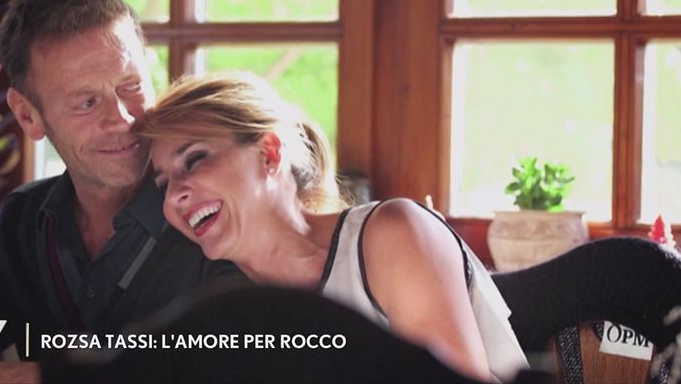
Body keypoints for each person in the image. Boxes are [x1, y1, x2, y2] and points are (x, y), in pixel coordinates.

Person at [0, 0, 240, 383]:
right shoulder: (20, 226)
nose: (121, 119)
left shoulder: (213, 216)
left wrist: (50, 377)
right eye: (87, 102)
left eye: (131, 86)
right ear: (27, 115)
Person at [132, 73, 530, 382]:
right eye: (164, 184)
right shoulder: (222, 311)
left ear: (269, 154)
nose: (176, 195)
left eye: (195, 159)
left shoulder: (392, 234)